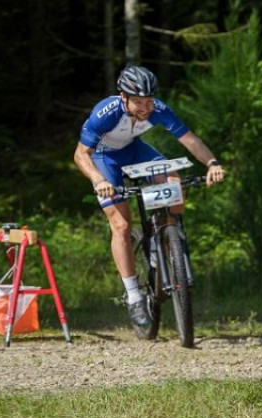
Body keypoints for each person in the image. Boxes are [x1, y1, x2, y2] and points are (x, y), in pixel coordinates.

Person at [73, 65, 225, 327]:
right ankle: (133, 296)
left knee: (173, 177)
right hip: (103, 158)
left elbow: (189, 140)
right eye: (139, 102)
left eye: (150, 101)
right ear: (124, 97)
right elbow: (80, 154)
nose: (146, 108)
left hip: (134, 150)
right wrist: (98, 180)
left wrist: (212, 163)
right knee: (121, 225)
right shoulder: (105, 113)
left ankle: (169, 239)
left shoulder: (159, 109)